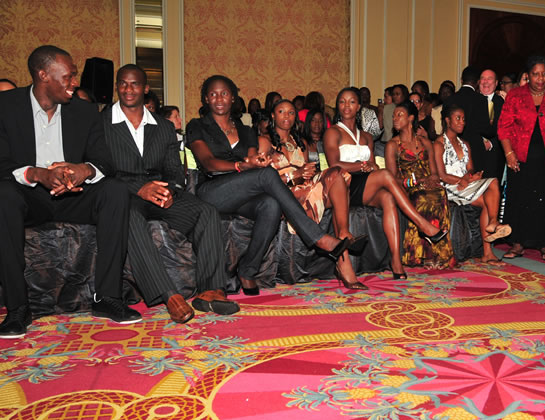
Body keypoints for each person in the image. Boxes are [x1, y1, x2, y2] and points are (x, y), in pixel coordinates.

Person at [0, 45, 141, 338]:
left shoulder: (85, 110)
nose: (74, 83)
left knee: (114, 190)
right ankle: (18, 309)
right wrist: (38, 174)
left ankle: (108, 297)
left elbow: (105, 163)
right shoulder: (6, 106)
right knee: (3, 196)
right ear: (43, 76)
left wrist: (83, 170)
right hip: (29, 196)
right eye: (68, 76)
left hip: (74, 196)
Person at [186, 75, 354, 296]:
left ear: (233, 98)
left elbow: (253, 160)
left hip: (242, 193)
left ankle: (248, 270)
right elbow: (208, 163)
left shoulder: (245, 130)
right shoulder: (198, 126)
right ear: (205, 99)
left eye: (224, 93)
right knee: (265, 176)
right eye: (213, 94)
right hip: (213, 191)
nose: (219, 98)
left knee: (271, 205)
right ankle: (317, 237)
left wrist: (257, 162)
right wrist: (241, 166)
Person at [103, 64, 238, 323]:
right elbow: (101, 169)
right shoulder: (103, 123)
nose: (128, 89)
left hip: (160, 191)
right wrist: (139, 188)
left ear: (145, 88)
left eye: (134, 84)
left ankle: (210, 290)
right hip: (123, 194)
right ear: (117, 86)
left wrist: (170, 190)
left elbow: (174, 170)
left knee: (205, 212)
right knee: (129, 217)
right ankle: (169, 295)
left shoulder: (163, 127)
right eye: (122, 83)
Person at [324, 87, 447, 279]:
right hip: (343, 186)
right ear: (338, 107)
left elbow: (372, 164)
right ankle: (422, 224)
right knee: (385, 175)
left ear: (359, 107)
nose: (347, 106)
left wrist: (369, 167)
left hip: (364, 186)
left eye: (352, 102)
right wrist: (363, 166)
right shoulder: (333, 132)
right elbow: (334, 164)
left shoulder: (366, 136)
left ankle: (396, 260)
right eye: (342, 102)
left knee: (388, 197)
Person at [261, 100, 366, 290]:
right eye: (281, 111)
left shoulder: (298, 142)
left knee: (336, 175)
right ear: (273, 116)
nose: (287, 116)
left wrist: (308, 173)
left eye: (291, 112)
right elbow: (259, 178)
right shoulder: (264, 141)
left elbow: (307, 172)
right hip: (283, 197)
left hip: (305, 191)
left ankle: (343, 236)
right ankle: (344, 262)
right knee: (336, 182)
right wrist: (295, 173)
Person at [498, 54, 545, 261]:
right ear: (527, 75)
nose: (540, 79)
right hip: (520, 156)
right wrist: (509, 154)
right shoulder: (515, 95)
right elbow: (503, 127)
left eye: (544, 74)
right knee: (520, 199)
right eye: (535, 74)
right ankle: (517, 243)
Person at [435, 103, 510, 264]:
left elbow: (469, 169)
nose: (462, 122)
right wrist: (462, 180)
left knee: (491, 190)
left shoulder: (465, 144)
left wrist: (472, 176)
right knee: (491, 190)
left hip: (465, 185)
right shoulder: (439, 144)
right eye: (458, 118)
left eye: (463, 119)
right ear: (448, 121)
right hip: (449, 187)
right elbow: (441, 175)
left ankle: (489, 242)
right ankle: (493, 226)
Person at [385, 101, 455, 269]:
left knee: (439, 193)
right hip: (406, 187)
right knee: (422, 196)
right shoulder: (392, 145)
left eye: (399, 115)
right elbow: (391, 178)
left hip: (427, 184)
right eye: (394, 115)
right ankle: (423, 254)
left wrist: (432, 179)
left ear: (410, 118)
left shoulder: (425, 142)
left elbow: (435, 172)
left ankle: (439, 253)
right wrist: (416, 182)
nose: (394, 118)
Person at [445, 67, 497, 186]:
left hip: (453, 146)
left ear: (462, 80)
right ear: (478, 82)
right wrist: (493, 126)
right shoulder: (480, 99)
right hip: (475, 149)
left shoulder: (450, 99)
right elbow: (486, 130)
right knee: (475, 185)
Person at [478, 68, 506, 181]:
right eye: (483, 79)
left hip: (494, 157)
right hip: (473, 157)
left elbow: (506, 128)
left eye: (489, 79)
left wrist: (491, 143)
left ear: (496, 83)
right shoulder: (471, 101)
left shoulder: (503, 103)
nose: (485, 82)